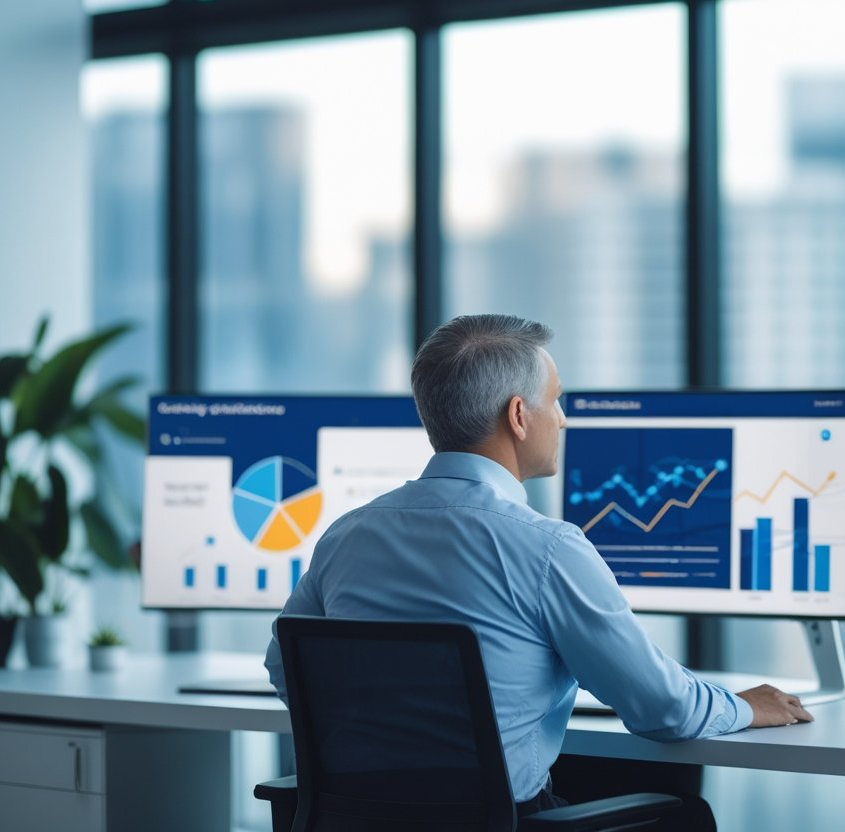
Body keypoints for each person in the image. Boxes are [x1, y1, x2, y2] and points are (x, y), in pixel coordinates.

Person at [265, 313, 813, 827]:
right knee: (683, 811)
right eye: (556, 401)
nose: (564, 418)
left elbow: (286, 667)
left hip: (357, 821)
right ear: (519, 415)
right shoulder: (547, 547)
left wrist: (397, 735)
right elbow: (662, 710)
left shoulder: (347, 534)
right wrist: (743, 706)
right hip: (503, 822)